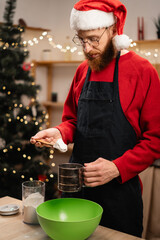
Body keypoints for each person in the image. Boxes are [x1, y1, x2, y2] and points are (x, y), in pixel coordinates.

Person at [31, 0, 160, 237]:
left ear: (113, 29)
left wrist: (116, 167)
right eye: (81, 39)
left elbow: (156, 140)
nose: (87, 48)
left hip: (120, 197)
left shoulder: (143, 71)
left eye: (93, 39)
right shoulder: (83, 70)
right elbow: (72, 121)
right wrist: (59, 132)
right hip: (76, 191)